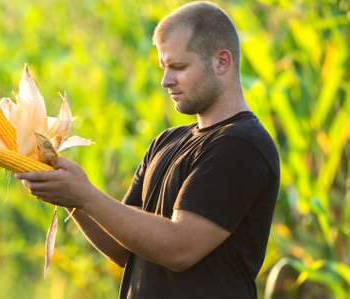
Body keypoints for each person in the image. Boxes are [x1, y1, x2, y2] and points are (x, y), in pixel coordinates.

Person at [16, 1, 280, 298]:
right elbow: (125, 249)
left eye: (178, 67)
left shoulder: (241, 145)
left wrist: (85, 194)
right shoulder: (166, 142)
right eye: (164, 67)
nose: (165, 81)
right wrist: (71, 197)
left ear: (222, 62)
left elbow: (179, 249)